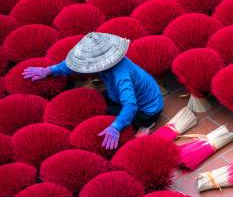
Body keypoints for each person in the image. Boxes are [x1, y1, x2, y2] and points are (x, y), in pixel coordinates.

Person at [22, 32, 163, 150]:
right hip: (120, 95)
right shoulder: (108, 62)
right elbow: (73, 65)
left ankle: (146, 125)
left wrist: (115, 127)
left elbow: (130, 105)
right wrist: (48, 70)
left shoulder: (122, 76)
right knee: (99, 102)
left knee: (112, 119)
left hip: (146, 109)